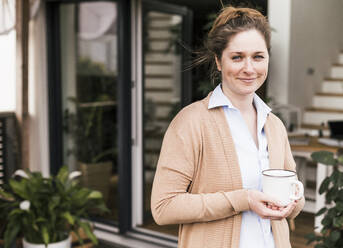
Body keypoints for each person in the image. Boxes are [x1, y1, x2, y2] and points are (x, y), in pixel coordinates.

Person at [151, 6, 305, 248]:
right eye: (237, 57)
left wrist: (294, 201)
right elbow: (163, 207)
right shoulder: (191, 122)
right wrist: (243, 199)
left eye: (258, 56)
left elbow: (294, 198)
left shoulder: (274, 125)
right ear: (218, 61)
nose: (249, 68)